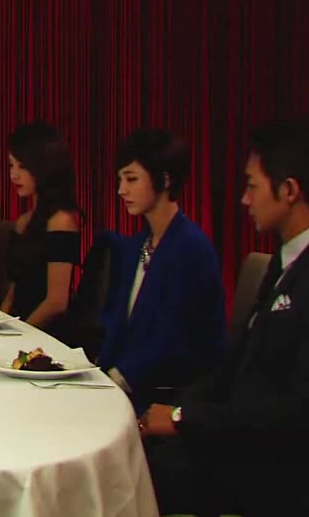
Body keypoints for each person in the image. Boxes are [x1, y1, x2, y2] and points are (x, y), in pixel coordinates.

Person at [139, 118, 309, 517]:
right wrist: (175, 410)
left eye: (252, 186)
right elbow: (236, 369)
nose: (244, 199)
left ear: (289, 190)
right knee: (128, 453)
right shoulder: (290, 259)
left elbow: (305, 412)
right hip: (249, 445)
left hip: (294, 476)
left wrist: (183, 419)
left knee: (121, 478)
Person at [97, 129, 226, 412]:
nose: (121, 190)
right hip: (128, 386)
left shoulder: (191, 248)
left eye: (131, 179)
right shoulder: (136, 245)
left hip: (169, 397)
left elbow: (174, 340)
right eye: (120, 180)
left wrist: (115, 380)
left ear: (165, 180)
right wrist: (97, 373)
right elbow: (117, 326)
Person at [0, 121, 82, 337]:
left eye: (23, 167)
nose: (14, 175)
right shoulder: (23, 221)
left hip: (47, 335)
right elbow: (14, 289)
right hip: (17, 328)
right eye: (11, 166)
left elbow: (57, 302)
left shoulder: (61, 221)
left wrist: (21, 334)